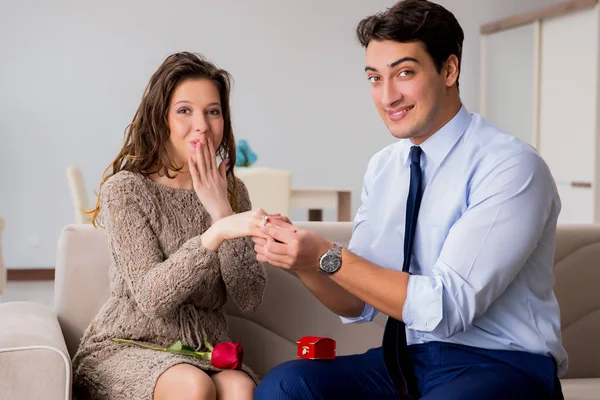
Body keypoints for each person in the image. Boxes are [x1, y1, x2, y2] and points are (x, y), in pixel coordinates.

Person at [253, 1, 566, 399]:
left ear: (449, 70)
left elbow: (446, 308)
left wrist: (326, 255)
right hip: (411, 361)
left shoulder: (510, 165)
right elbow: (355, 301)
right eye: (373, 78)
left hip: (504, 364)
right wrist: (303, 261)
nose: (387, 97)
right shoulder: (385, 167)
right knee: (286, 386)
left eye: (404, 73)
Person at [72, 52, 268, 400]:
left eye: (213, 111)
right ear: (160, 118)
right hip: (128, 345)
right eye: (184, 110)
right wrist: (214, 236)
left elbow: (249, 296)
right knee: (193, 387)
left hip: (199, 351)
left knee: (240, 389)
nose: (202, 125)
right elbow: (151, 297)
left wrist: (221, 210)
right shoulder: (127, 189)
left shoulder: (235, 192)